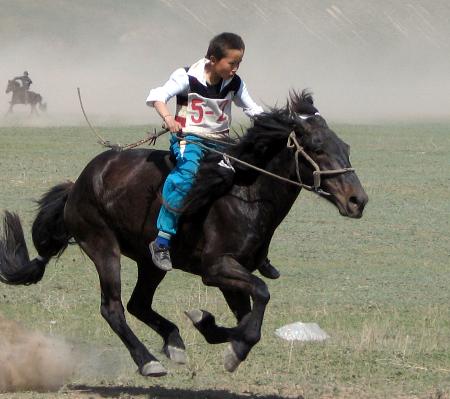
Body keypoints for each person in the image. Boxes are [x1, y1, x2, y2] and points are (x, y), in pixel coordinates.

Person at [146, 32, 280, 279]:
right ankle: (162, 241)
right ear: (212, 59)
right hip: (191, 139)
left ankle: (258, 252)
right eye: (232, 63)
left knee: (247, 179)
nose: (235, 68)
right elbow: (157, 97)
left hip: (221, 143)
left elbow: (253, 109)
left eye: (239, 63)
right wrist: (168, 120)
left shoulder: (235, 83)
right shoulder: (186, 76)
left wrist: (277, 124)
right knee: (186, 176)